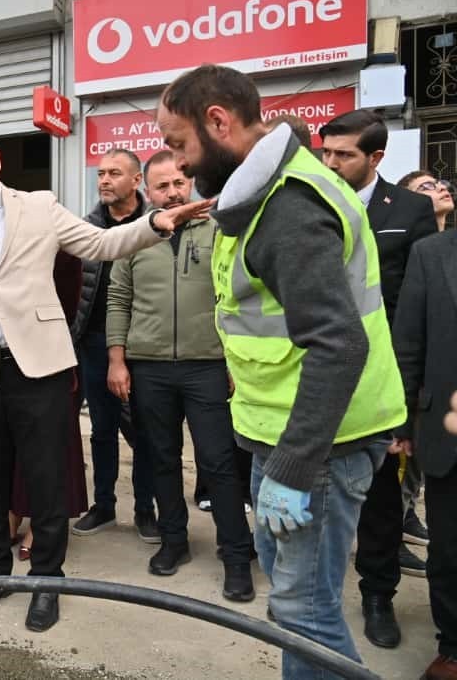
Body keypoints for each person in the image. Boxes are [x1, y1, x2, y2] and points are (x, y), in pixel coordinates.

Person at [157, 64, 405, 679]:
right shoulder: (256, 195)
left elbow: (338, 345)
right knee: (295, 603)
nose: (178, 162)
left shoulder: (288, 207)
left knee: (304, 610)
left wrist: (292, 468)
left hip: (320, 445)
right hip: (287, 436)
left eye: (179, 144)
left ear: (219, 121)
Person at [0, 123, 208, 633]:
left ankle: (47, 580)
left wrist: (156, 223)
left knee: (46, 477)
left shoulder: (40, 207)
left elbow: (103, 242)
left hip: (40, 366)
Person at [106, 149, 254, 601]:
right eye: (162, 186)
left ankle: (236, 553)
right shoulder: (135, 237)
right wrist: (117, 360)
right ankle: (174, 541)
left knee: (219, 461)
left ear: (189, 183)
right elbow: (118, 299)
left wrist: (234, 361)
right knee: (161, 458)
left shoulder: (219, 231)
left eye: (178, 183)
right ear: (147, 191)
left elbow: (237, 299)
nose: (172, 192)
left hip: (207, 365)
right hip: (149, 367)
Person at [321, 109, 438, 646]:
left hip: (382, 376)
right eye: (325, 152)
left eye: (343, 155)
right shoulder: (311, 201)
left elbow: (417, 305)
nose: (330, 163)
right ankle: (310, 594)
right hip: (318, 371)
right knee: (315, 490)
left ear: (376, 157)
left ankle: (377, 594)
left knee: (380, 497)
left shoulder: (410, 210)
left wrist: (410, 395)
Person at [69, 149, 157, 543]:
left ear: (136, 181)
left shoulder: (155, 226)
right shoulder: (86, 228)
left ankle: (145, 510)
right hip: (93, 342)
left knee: (145, 431)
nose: (104, 180)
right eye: (101, 173)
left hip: (144, 343)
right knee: (101, 430)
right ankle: (103, 506)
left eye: (114, 173)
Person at [392, 229, 457, 680]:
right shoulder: (430, 254)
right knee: (449, 549)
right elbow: (408, 344)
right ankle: (451, 646)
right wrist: (403, 421)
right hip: (445, 433)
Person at [9, 251, 89, 561]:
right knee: (14, 443)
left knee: (52, 445)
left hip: (51, 354)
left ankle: (40, 524)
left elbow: (66, 309)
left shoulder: (64, 253)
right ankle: (14, 510)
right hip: (5, 356)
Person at [395, 170, 454, 551]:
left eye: (441, 184)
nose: (441, 189)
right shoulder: (422, 252)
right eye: (426, 187)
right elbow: (409, 336)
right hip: (431, 404)